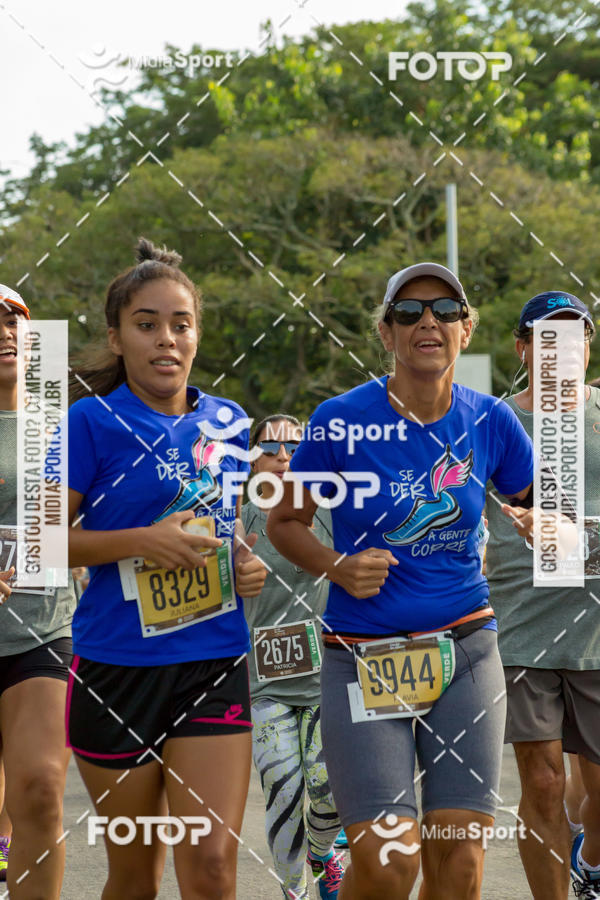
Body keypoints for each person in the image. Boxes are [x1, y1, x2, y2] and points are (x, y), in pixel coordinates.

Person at [267, 262, 536, 899]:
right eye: (409, 312)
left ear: (465, 330)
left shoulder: (492, 420)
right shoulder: (340, 420)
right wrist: (336, 566)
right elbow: (284, 520)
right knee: (390, 863)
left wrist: (536, 520)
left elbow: (536, 499)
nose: (428, 322)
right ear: (386, 333)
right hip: (363, 657)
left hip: (466, 648)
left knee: (461, 859)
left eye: (444, 310)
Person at [66, 238, 267, 899]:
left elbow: (225, 527)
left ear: (198, 334)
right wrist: (138, 542)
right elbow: (42, 543)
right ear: (118, 337)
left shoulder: (230, 423)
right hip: (115, 672)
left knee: (210, 868)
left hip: (212, 663)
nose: (166, 340)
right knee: (136, 877)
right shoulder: (87, 423)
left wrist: (242, 561)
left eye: (181, 324)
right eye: (146, 324)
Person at [485, 291, 600, 899]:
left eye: (575, 337)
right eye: (548, 338)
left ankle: (589, 863)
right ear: (524, 348)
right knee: (545, 783)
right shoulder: (494, 423)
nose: (563, 351)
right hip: (523, 627)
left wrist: (579, 535)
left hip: (597, 631)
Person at [242, 414, 344, 899]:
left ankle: (323, 854)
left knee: (328, 793)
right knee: (283, 789)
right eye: (270, 447)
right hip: (264, 681)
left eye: (294, 447)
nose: (283, 456)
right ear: (252, 459)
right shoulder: (235, 517)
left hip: (331, 674)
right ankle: (294, 892)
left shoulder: (333, 509)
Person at [0, 286, 76, 899]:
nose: (4, 332)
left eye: (14, 321)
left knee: (42, 790)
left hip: (43, 630)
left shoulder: (64, 425)